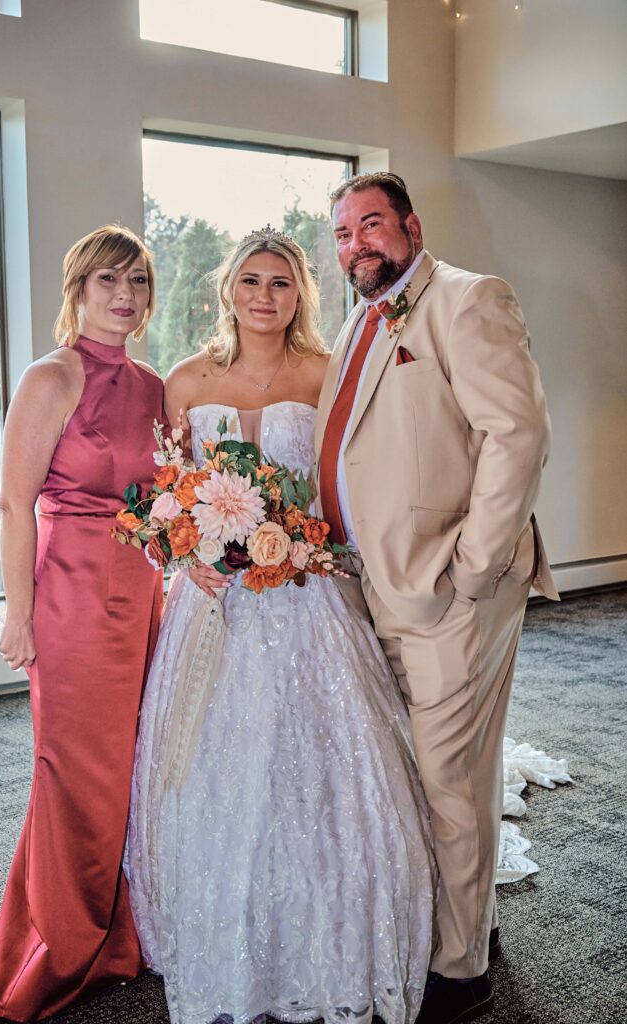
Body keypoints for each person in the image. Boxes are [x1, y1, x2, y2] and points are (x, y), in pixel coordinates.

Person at [126, 227, 437, 1024]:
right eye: (251, 282)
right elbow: (175, 489)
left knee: (327, 764)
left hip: (308, 588)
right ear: (227, 288)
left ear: (302, 294)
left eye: (283, 284)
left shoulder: (329, 374)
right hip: (216, 602)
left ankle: (328, 929)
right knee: (215, 768)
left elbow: (353, 481)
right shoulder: (186, 379)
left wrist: (326, 548)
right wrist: (183, 553)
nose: (266, 297)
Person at [315, 171, 559, 1024]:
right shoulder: (358, 318)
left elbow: (517, 432)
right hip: (372, 585)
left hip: (450, 589)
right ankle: (458, 918)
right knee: (412, 772)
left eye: (371, 225)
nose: (357, 246)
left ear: (411, 225)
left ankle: (460, 967)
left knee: (451, 774)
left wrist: (474, 564)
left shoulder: (465, 298)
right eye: (344, 233)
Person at [0, 225, 165, 1023]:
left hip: (141, 596)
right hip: (71, 595)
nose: (125, 297)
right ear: (76, 289)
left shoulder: (152, 384)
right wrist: (18, 613)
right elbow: (13, 504)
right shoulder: (52, 376)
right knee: (73, 769)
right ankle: (63, 940)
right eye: (108, 280)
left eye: (138, 282)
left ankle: (114, 923)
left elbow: (158, 501)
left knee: (130, 765)